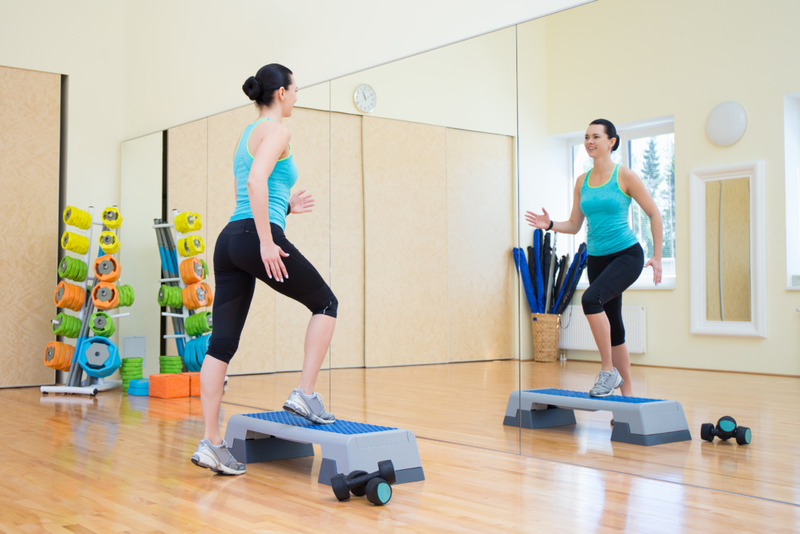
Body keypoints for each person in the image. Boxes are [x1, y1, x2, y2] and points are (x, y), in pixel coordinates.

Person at [192, 64, 338, 475]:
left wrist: (286, 206)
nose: (297, 96)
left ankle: (211, 443)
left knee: (221, 345)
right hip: (255, 236)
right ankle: (305, 394)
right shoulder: (278, 131)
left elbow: (259, 186)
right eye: (296, 90)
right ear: (281, 93)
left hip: (229, 241)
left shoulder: (249, 132)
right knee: (326, 303)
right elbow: (257, 183)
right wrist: (268, 240)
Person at [526, 119, 662, 398]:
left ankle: (607, 371)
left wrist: (658, 256)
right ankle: (629, 400)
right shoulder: (582, 182)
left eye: (596, 137)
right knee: (615, 325)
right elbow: (575, 225)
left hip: (626, 254)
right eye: (587, 137)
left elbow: (654, 214)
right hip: (598, 259)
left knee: (590, 300)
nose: (589, 141)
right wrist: (550, 224)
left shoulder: (624, 176)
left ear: (611, 142)